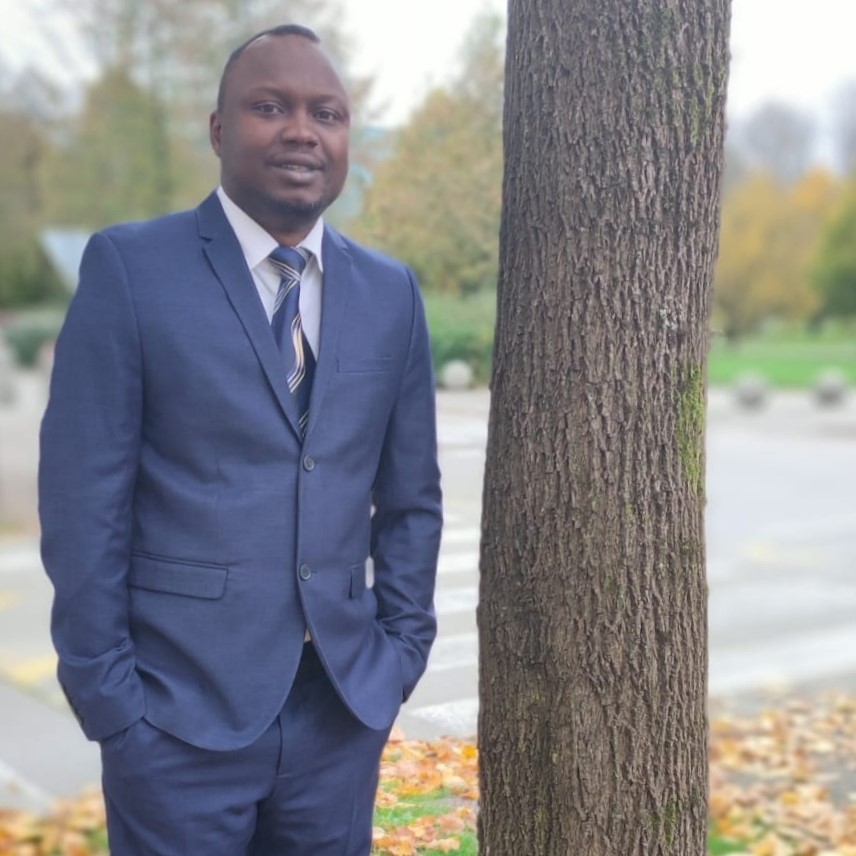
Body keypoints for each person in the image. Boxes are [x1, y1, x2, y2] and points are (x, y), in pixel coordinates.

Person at [38, 23, 442, 856]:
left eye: (326, 113)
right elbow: (83, 502)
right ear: (220, 130)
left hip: (340, 715)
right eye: (270, 107)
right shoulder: (131, 270)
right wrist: (113, 703)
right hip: (174, 719)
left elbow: (411, 500)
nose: (302, 131)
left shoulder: (391, 293)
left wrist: (400, 655)